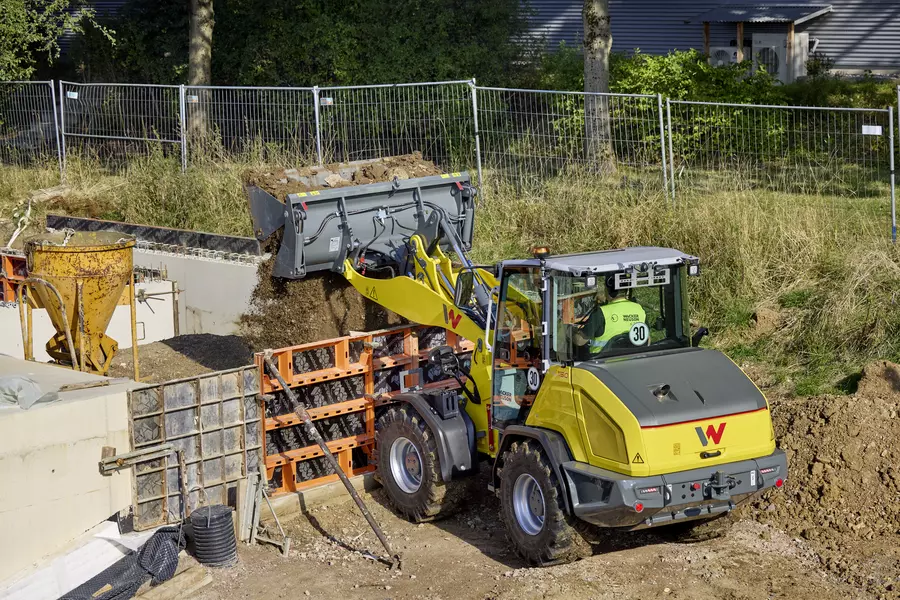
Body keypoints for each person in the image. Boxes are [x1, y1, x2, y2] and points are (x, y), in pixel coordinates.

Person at [574, 275, 646, 354]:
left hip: (601, 359)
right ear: (626, 290)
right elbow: (647, 339)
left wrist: (568, 331)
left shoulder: (601, 313)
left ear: (608, 290)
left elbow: (579, 341)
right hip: (632, 357)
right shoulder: (639, 309)